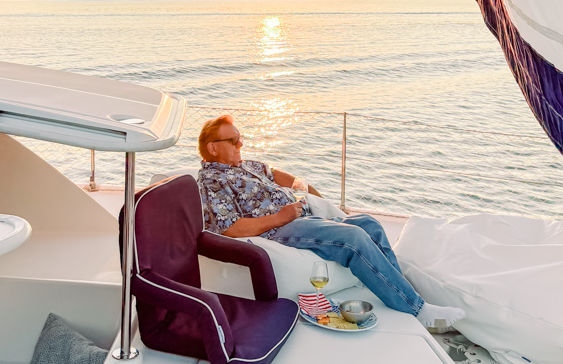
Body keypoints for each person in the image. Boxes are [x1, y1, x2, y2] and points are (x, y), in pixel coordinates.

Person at [196, 114, 464, 328]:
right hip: (277, 229)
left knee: (368, 224)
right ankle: (417, 308)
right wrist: (281, 216)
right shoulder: (212, 180)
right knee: (354, 239)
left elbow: (277, 174)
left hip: (302, 214)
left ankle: (399, 291)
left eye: (240, 138)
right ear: (213, 147)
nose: (241, 144)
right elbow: (230, 227)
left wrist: (310, 190)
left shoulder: (247, 164)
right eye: (233, 141)